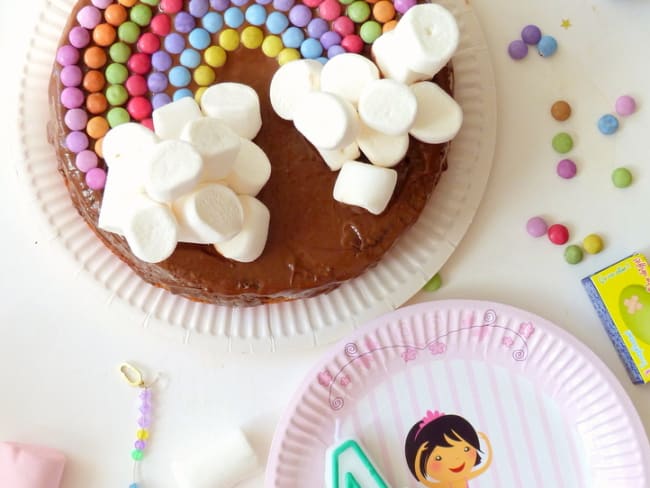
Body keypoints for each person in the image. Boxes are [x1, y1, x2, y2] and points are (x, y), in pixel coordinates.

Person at [404, 411, 492, 487]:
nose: (456, 459)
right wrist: (419, 454)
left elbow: (486, 465)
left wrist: (487, 443)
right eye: (438, 458)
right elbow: (423, 479)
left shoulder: (465, 477)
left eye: (466, 449)